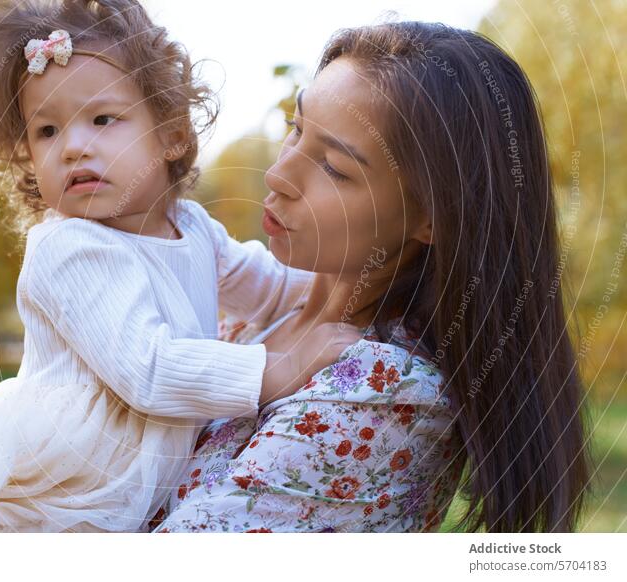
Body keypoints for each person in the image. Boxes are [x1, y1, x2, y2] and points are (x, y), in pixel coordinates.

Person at [0, 0, 361, 533]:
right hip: (71, 483)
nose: (73, 147)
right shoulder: (69, 250)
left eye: (103, 119)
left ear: (172, 136)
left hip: (143, 470)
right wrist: (284, 366)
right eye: (46, 131)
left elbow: (269, 290)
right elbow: (149, 371)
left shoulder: (192, 226)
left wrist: (357, 280)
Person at [152, 22, 591, 533]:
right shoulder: (251, 319)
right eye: (296, 127)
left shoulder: (387, 393)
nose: (278, 175)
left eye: (335, 168)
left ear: (433, 217)